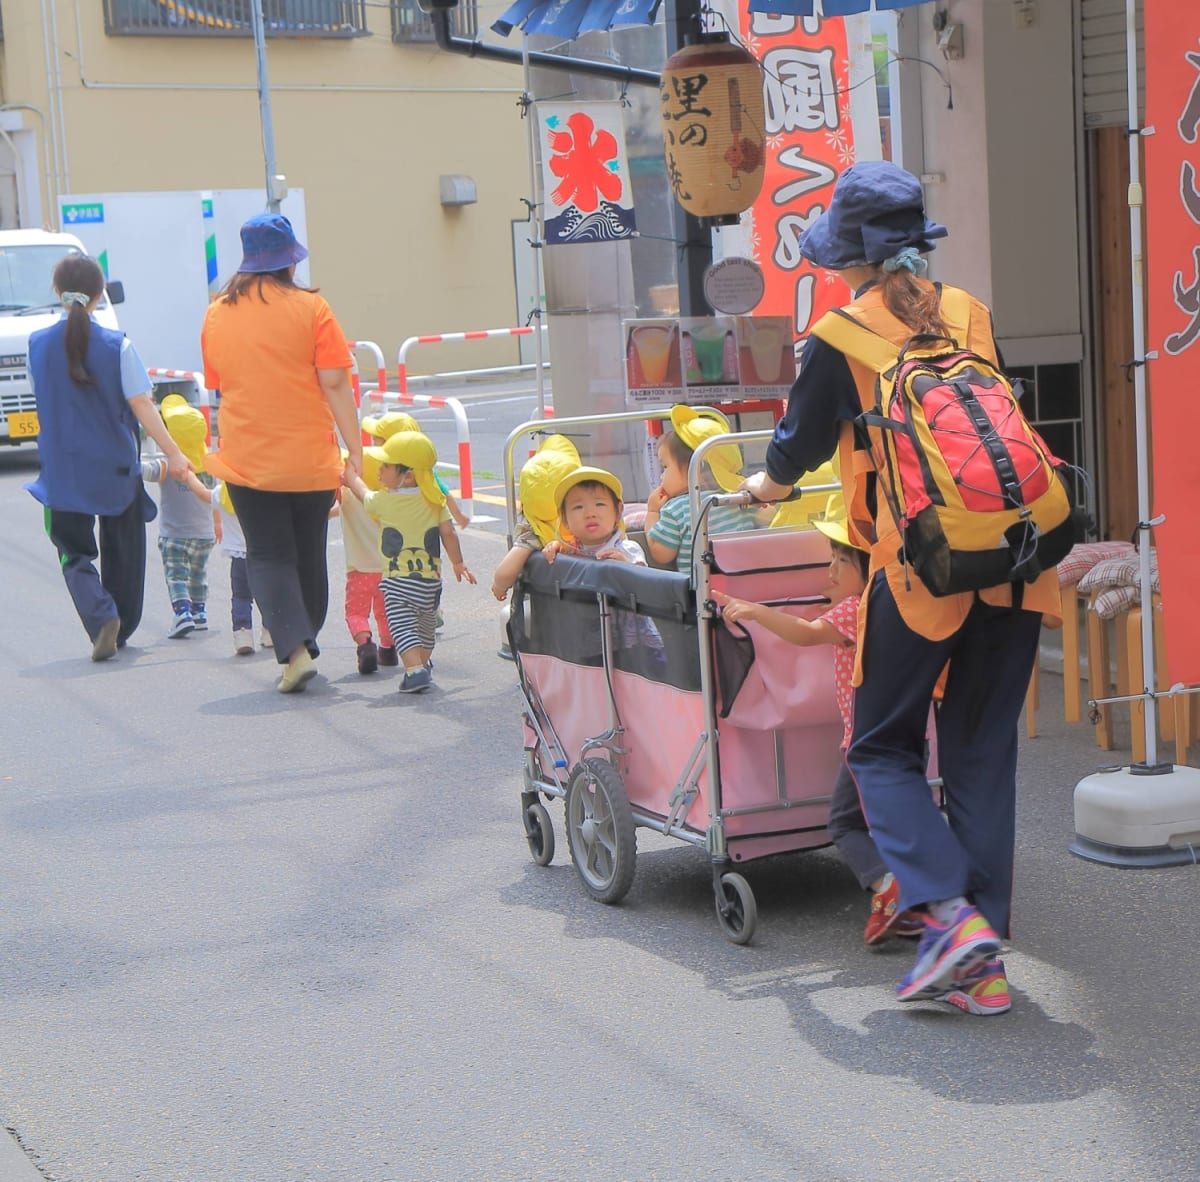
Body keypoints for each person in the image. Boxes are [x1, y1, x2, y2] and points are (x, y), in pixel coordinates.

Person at [742, 160, 1057, 1017]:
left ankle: (950, 919)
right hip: (1017, 559)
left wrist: (758, 493)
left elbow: (794, 453)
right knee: (982, 754)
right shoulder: (968, 312)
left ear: (850, 256)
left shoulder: (845, 334)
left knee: (881, 748)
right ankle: (980, 964)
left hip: (920, 570)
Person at [712, 510, 922, 947]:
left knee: (845, 822)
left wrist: (755, 610)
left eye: (839, 562)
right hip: (908, 733)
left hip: (866, 739)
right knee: (892, 819)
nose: (829, 570)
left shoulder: (855, 612)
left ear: (866, 569)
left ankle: (888, 889)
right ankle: (909, 898)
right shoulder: (898, 606)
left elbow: (806, 633)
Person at [201, 213, 361, 694]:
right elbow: (335, 382)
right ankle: (303, 638)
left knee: (267, 554)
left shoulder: (216, 313)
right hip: (310, 457)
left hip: (247, 458)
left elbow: (218, 387)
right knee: (309, 552)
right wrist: (355, 450)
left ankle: (294, 649)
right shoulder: (314, 309)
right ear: (290, 260)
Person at [25, 253, 190, 661]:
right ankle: (121, 623)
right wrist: (176, 454)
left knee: (71, 550)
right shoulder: (119, 345)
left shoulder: (36, 344)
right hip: (117, 465)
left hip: (62, 469)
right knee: (125, 547)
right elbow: (143, 406)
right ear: (101, 296)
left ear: (58, 292)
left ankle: (102, 617)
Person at [340, 430, 475, 694]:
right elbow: (448, 533)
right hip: (430, 582)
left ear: (408, 475)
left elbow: (363, 493)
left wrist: (351, 476)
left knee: (401, 627)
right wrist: (458, 563)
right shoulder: (434, 500)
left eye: (386, 466)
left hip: (398, 582)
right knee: (425, 627)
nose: (379, 470)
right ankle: (423, 664)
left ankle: (414, 671)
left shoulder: (386, 501)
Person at [643, 405, 762, 576]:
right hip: (746, 582)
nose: (662, 476)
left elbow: (660, 553)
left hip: (703, 595)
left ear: (697, 467)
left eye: (665, 467)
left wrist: (652, 511)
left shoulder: (678, 509)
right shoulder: (739, 498)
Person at [147, 395, 215, 639]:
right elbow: (215, 499)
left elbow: (146, 471)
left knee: (176, 575)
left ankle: (182, 613)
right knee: (199, 575)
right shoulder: (208, 465)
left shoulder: (168, 464)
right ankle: (200, 612)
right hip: (205, 535)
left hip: (174, 535)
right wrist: (217, 525)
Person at [182, 471, 267, 655]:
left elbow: (203, 493)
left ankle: (242, 633)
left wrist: (189, 476)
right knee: (267, 594)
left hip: (239, 557)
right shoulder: (262, 491)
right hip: (263, 555)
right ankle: (269, 632)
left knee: (241, 597)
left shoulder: (224, 493)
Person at [491, 433, 581, 601]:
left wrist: (498, 586)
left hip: (549, 607)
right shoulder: (583, 525)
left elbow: (505, 573)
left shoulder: (533, 533)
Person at [543, 467, 645, 565]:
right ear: (564, 519)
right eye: (578, 507)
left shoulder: (628, 550)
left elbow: (645, 580)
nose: (590, 514)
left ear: (618, 512)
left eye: (599, 504)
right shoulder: (569, 551)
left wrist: (626, 566)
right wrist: (555, 549)